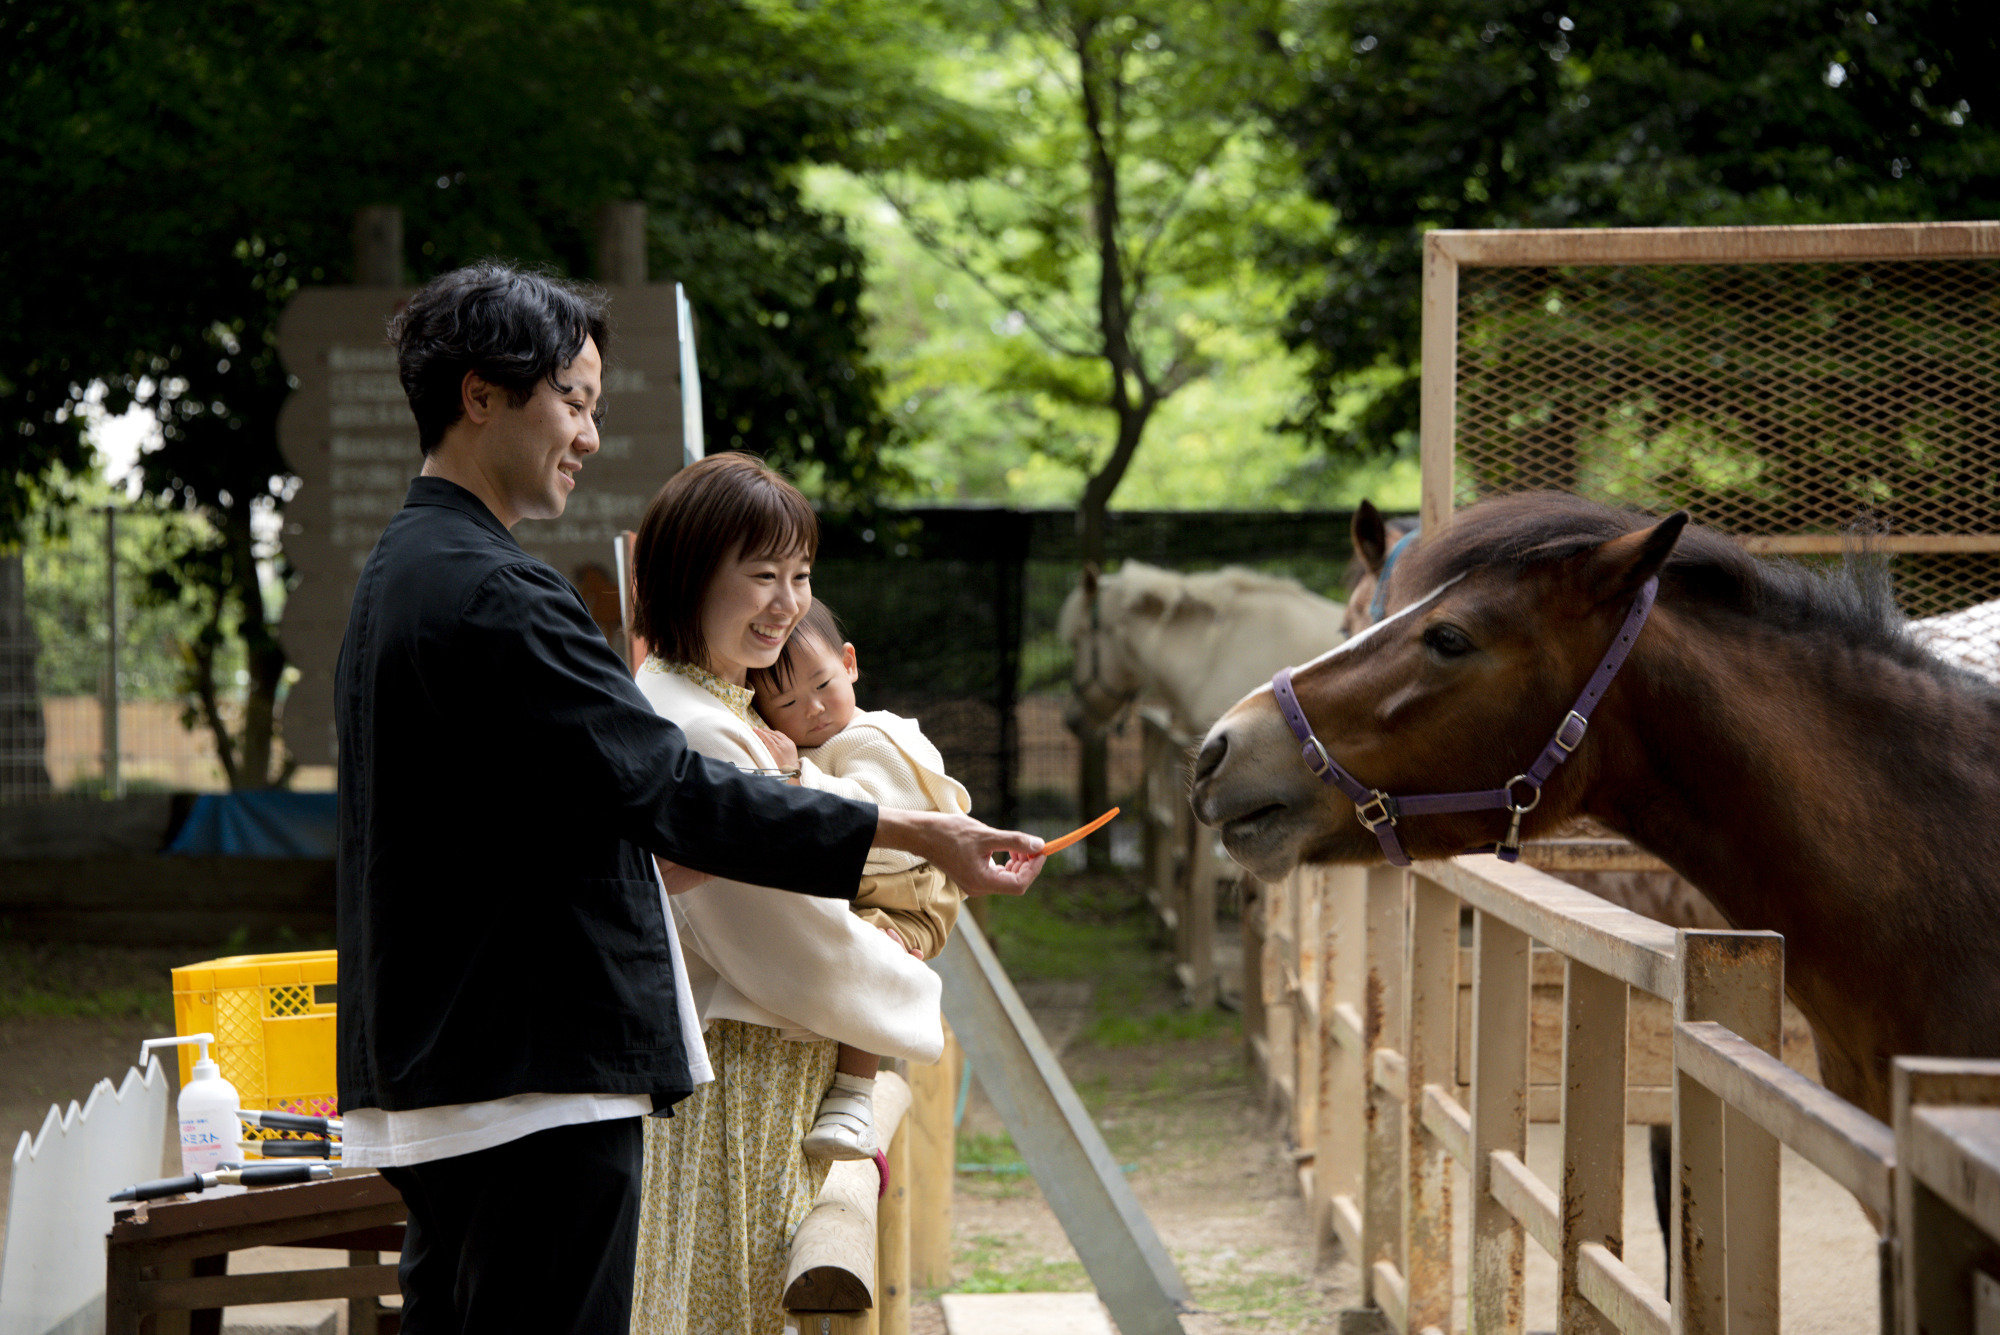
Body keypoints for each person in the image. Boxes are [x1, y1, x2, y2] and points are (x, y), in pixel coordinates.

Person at [334, 263, 1045, 1335]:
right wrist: (917, 834)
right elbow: (669, 793)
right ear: (480, 395)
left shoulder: (403, 573)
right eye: (570, 401)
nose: (586, 435)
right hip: (535, 1075)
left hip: (452, 1065)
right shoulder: (497, 592)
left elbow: (584, 820)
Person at [626, 454, 961, 1333]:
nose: (788, 601)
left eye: (801, 575)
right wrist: (913, 962)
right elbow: (791, 943)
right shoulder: (697, 725)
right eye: (762, 574)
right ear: (693, 574)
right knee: (741, 1303)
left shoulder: (720, 709)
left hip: (751, 1073)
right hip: (742, 1084)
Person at [746, 598, 968, 1161]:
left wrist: (797, 775)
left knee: (868, 951)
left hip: (908, 897)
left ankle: (854, 1097)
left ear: (849, 663)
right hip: (873, 889)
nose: (815, 709)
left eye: (823, 683)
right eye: (789, 702)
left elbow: (872, 816)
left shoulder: (873, 738)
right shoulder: (820, 745)